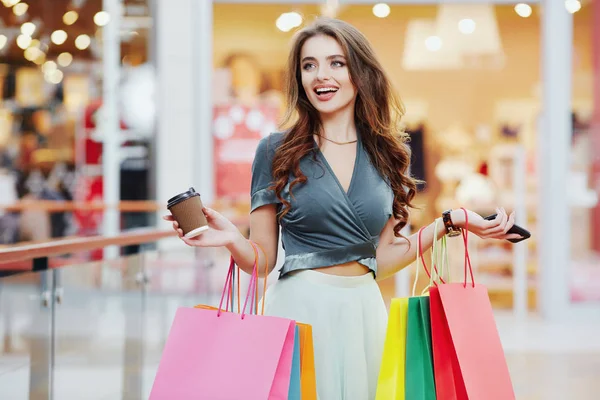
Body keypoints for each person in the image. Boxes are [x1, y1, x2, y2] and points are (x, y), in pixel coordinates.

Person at [164, 17, 521, 400]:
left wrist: (453, 221)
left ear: (359, 71)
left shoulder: (388, 154)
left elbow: (380, 259)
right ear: (299, 78)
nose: (321, 75)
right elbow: (263, 261)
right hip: (300, 310)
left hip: (364, 312)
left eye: (336, 62)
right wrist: (232, 239)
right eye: (309, 65)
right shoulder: (275, 150)